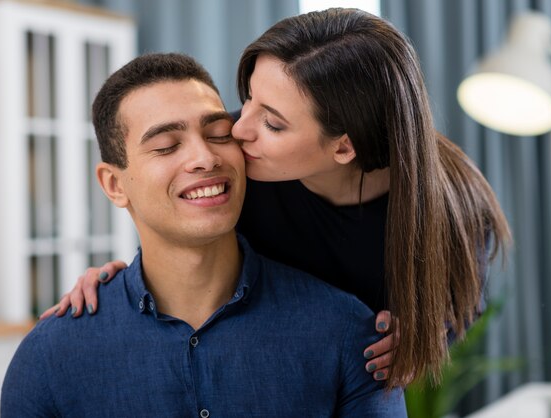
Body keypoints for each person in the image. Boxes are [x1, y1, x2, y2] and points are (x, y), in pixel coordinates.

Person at [41, 8, 510, 386]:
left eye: (273, 122)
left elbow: (459, 307)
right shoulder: (234, 152)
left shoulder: (456, 214)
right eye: (247, 98)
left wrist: (424, 336)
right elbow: (171, 218)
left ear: (343, 146)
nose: (236, 130)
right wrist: (126, 281)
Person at [1, 52, 406, 417]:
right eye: (165, 146)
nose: (205, 157)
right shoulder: (51, 355)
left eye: (218, 134)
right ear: (114, 185)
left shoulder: (349, 334)